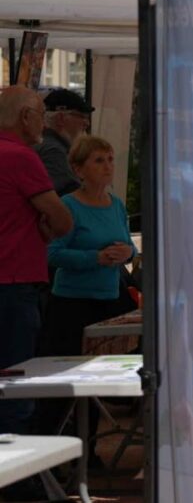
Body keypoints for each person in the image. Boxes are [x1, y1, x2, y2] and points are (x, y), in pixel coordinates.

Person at [0, 87, 72, 437]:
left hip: (13, 280)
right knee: (14, 385)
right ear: (25, 117)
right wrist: (43, 232)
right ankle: (17, 478)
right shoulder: (21, 157)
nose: (43, 121)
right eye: (41, 113)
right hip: (13, 284)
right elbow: (62, 219)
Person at [43, 136, 135, 354]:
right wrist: (96, 258)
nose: (108, 166)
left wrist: (128, 252)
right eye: (99, 160)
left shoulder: (117, 205)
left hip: (111, 300)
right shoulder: (68, 205)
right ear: (79, 170)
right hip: (73, 304)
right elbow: (52, 253)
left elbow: (131, 247)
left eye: (111, 159)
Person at [35, 88, 93, 195]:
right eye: (82, 117)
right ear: (61, 118)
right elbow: (70, 196)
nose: (87, 123)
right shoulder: (53, 151)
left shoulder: (43, 144)